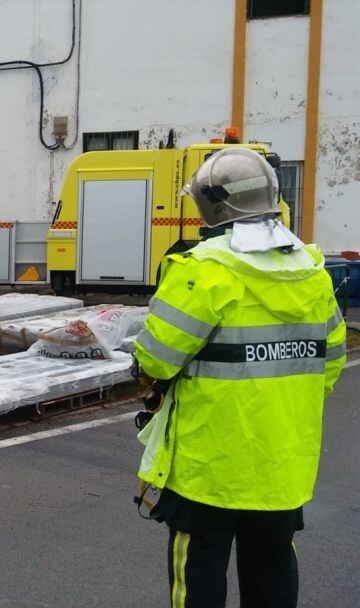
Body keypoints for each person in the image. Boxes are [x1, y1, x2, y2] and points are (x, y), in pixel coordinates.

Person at [132, 147, 346, 607]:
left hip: (209, 468)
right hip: (281, 468)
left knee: (200, 569)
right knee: (272, 569)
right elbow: (329, 367)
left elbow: (154, 361)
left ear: (211, 205)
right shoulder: (313, 272)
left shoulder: (204, 272)